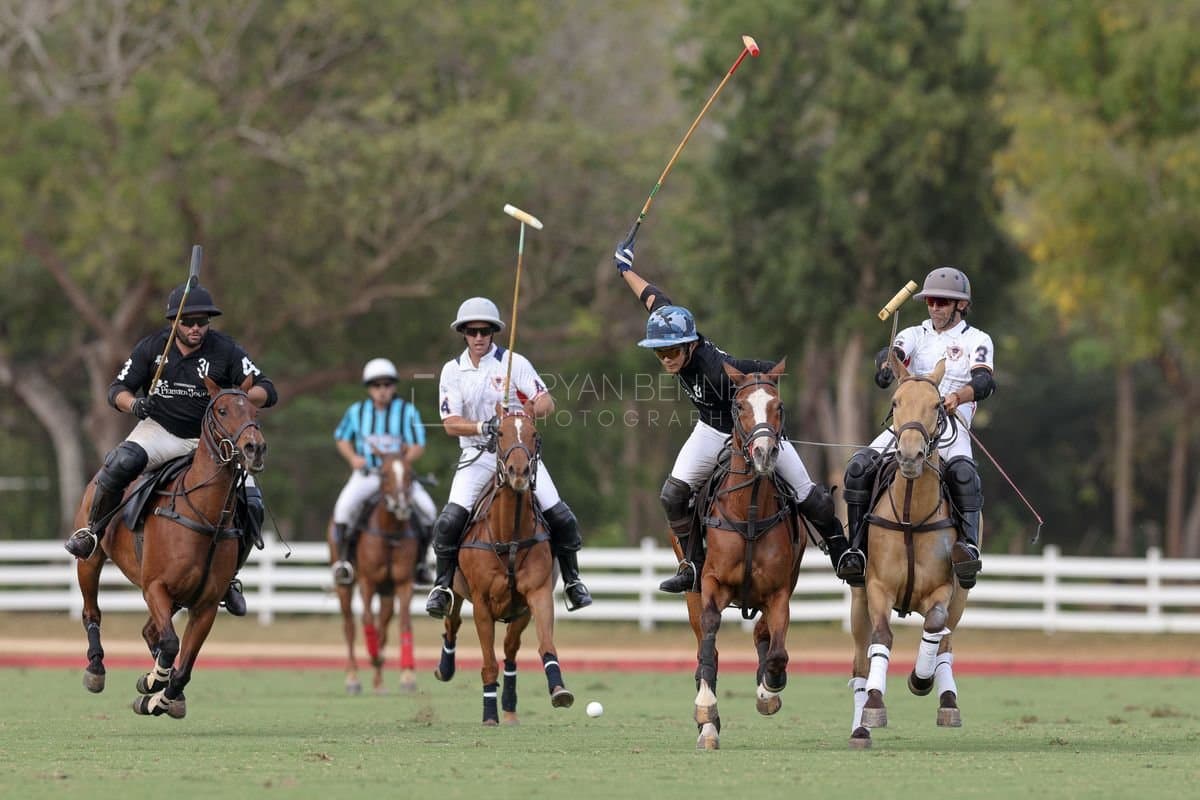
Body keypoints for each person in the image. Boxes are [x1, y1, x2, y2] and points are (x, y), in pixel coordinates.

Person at [614, 236, 862, 592]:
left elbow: (759, 374)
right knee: (672, 496)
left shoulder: (717, 368)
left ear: (689, 345)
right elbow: (652, 297)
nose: (666, 359)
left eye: (671, 352)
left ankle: (842, 554)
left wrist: (766, 422)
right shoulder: (674, 326)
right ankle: (692, 566)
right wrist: (625, 269)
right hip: (709, 429)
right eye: (659, 354)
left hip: (752, 431)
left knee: (809, 494)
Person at [64, 281, 278, 616]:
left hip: (212, 441)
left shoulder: (226, 350)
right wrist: (135, 405)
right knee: (121, 462)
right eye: (188, 321)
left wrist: (231, 400)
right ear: (173, 322)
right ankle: (91, 533)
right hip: (161, 431)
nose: (196, 328)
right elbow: (117, 389)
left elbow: (267, 389)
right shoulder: (153, 348)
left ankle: (229, 577)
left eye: (203, 322)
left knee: (253, 502)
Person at [423, 297, 593, 618]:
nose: (478, 337)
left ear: (493, 332)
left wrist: (531, 410)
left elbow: (546, 402)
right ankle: (442, 586)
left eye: (484, 330)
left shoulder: (514, 362)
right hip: (477, 456)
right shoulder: (453, 371)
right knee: (449, 521)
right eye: (471, 331)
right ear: (463, 333)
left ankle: (572, 580)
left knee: (562, 516)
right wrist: (482, 425)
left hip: (517, 456)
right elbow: (450, 424)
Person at [841, 266, 994, 589]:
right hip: (910, 423)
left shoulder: (977, 340)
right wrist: (885, 366)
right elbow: (894, 353)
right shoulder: (915, 333)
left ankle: (967, 548)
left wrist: (957, 396)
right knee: (858, 467)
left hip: (951, 425)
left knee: (965, 475)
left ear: (960, 305)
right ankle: (855, 550)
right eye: (930, 302)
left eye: (942, 301)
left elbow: (984, 380)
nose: (935, 307)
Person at [330, 357, 437, 587]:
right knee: (343, 510)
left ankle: (422, 564)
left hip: (399, 479)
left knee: (429, 510)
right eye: (376, 385)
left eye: (387, 384)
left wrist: (401, 465)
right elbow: (341, 438)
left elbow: (418, 444)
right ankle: (344, 563)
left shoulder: (407, 412)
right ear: (369, 388)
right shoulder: (356, 412)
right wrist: (353, 458)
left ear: (394, 386)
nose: (382, 390)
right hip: (368, 475)